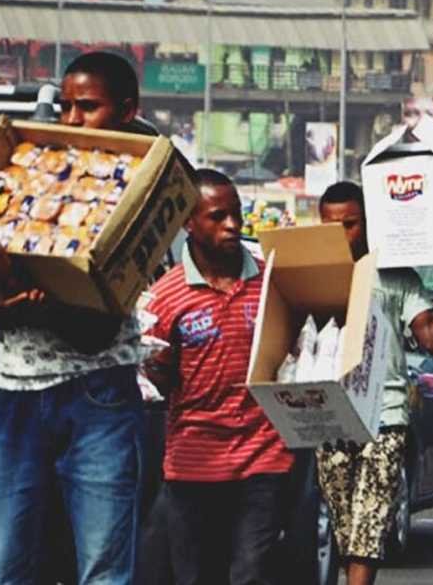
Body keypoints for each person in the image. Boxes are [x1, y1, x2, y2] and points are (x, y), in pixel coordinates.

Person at [0, 51, 149, 584]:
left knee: (104, 570)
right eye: (66, 105)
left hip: (98, 395)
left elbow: (97, 332)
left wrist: (22, 286)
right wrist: (4, 295)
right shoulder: (29, 178)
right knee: (5, 569)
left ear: (126, 110)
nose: (71, 119)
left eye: (87, 107)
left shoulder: (137, 192)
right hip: (15, 393)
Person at [141, 170, 293, 585]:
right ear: (189, 222)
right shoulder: (165, 298)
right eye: (218, 216)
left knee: (251, 572)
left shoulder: (271, 281)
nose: (232, 225)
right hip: (194, 461)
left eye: (237, 215)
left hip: (264, 454)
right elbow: (158, 377)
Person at [316, 181, 433, 585]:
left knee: (369, 526)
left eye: (350, 224)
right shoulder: (308, 273)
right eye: (333, 225)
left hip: (385, 415)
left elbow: (432, 339)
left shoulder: (395, 275)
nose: (342, 235)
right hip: (331, 416)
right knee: (344, 526)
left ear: (367, 224)